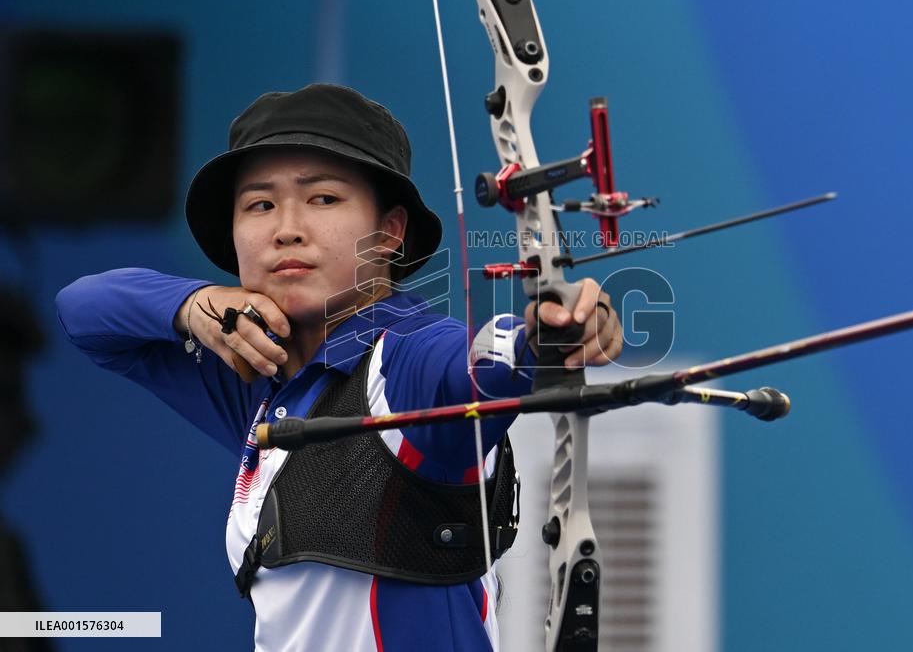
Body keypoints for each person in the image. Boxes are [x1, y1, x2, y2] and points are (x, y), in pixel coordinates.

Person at [55, 84, 623, 651]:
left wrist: (553, 333)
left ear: (390, 232)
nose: (286, 228)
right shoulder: (258, 378)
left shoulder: (407, 361)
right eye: (260, 205)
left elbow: (479, 362)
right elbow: (83, 311)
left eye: (323, 198)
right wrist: (195, 304)